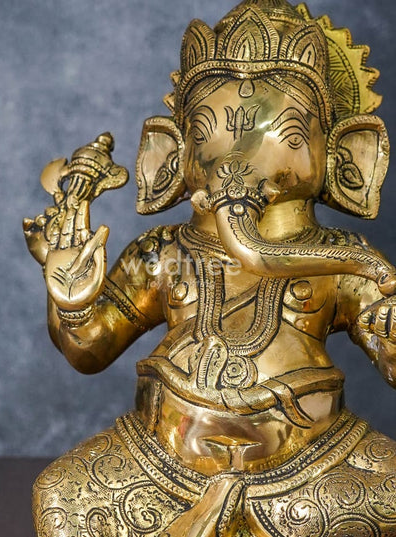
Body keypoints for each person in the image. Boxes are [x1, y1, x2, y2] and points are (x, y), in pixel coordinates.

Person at [24, 1, 396, 535]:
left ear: (346, 157)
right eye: (207, 135)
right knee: (61, 498)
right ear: (169, 157)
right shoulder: (162, 252)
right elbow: (90, 351)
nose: (238, 160)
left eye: (289, 137)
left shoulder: (341, 260)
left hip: (310, 462)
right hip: (162, 462)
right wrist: (73, 303)